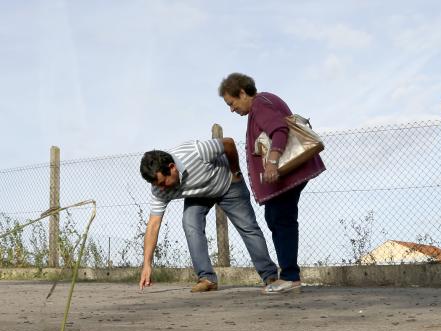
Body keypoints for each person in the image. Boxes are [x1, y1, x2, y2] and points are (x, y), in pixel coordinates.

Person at [218, 72, 326, 294]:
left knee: (281, 218)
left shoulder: (260, 104)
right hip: (288, 176)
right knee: (278, 217)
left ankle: (289, 277)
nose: (232, 109)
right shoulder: (265, 101)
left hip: (286, 175)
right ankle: (289, 275)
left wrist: (272, 163)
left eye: (231, 103)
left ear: (242, 93)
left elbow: (279, 129)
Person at [139, 137, 278, 292]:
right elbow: (153, 225)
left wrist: (235, 171)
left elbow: (229, 144)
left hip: (227, 184)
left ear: (172, 167)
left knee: (248, 227)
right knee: (190, 222)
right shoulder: (159, 189)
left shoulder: (196, 152)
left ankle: (270, 276)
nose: (161, 189)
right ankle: (207, 278)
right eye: (157, 185)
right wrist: (147, 264)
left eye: (163, 183)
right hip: (199, 195)